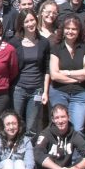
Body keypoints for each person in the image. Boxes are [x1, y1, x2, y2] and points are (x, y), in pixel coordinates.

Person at [9, 9, 50, 140]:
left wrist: (45, 92)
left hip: (36, 90)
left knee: (31, 127)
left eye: (32, 20)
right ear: (21, 24)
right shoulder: (14, 43)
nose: (30, 23)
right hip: (18, 89)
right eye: (26, 21)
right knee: (15, 123)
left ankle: (28, 150)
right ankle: (15, 148)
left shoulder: (44, 42)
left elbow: (47, 69)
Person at [48, 15, 85, 131]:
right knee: (60, 127)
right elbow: (54, 75)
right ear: (63, 30)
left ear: (79, 31)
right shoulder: (56, 47)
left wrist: (67, 73)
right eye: (67, 28)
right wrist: (78, 78)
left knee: (77, 128)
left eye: (74, 29)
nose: (70, 31)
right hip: (59, 92)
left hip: (79, 93)